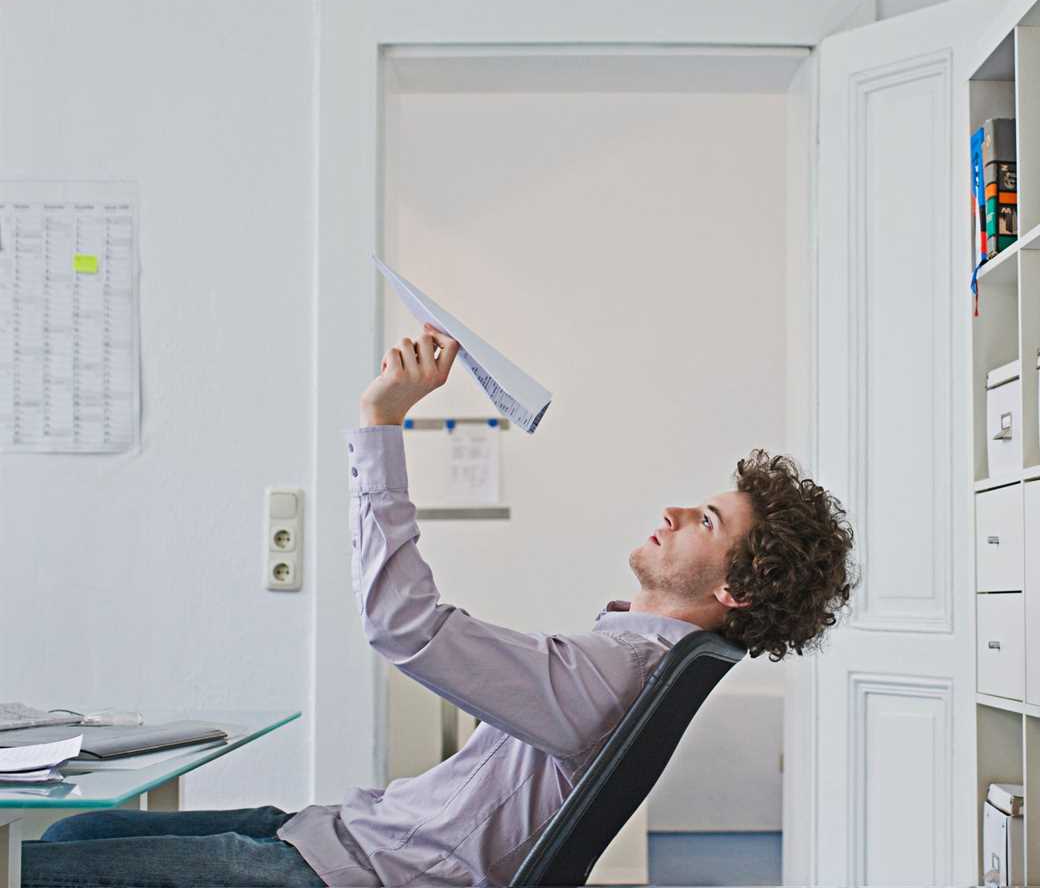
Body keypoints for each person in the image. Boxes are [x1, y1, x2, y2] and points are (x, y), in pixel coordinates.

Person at [22, 324, 856, 888]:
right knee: (61, 841)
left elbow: (404, 626)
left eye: (706, 521)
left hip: (355, 873)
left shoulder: (611, 672)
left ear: (732, 591)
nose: (674, 512)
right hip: (346, 837)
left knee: (46, 863)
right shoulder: (632, 658)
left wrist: (381, 422)